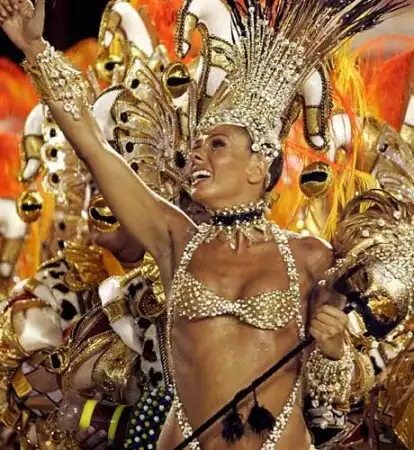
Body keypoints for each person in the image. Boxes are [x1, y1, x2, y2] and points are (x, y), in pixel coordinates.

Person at [0, 0, 405, 448]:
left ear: (259, 165)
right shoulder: (175, 239)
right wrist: (36, 48)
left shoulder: (310, 258)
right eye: (197, 144)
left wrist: (333, 350)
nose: (196, 153)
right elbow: (94, 148)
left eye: (217, 144)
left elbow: (334, 395)